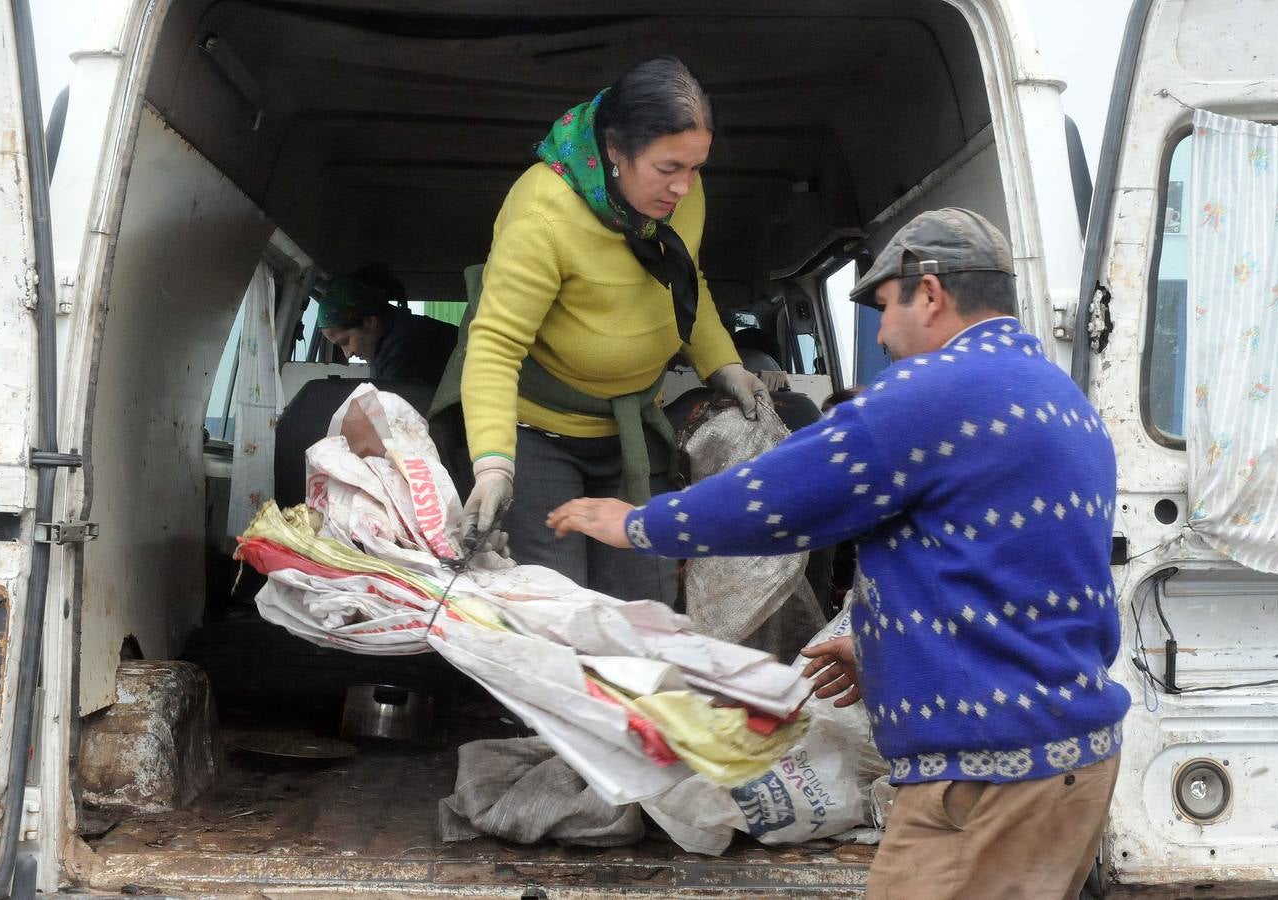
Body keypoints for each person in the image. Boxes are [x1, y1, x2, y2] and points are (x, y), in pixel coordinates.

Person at [548, 208, 1130, 899]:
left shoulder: (936, 392)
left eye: (886, 307)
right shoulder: (1056, 398)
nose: (881, 334)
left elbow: (780, 497)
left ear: (931, 292)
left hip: (989, 785)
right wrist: (892, 647)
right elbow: (1010, 569)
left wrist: (638, 523)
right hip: (1068, 766)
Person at [457, 56, 768, 602]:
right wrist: (492, 465)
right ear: (616, 152)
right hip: (540, 437)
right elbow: (495, 347)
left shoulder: (684, 198)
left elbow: (685, 281)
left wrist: (726, 366)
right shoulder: (543, 213)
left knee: (642, 600)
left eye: (696, 168)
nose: (684, 187)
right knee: (558, 604)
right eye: (668, 168)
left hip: (630, 434)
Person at [318, 265, 458, 389]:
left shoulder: (401, 352)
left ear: (370, 322)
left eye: (345, 342)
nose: (347, 354)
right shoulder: (401, 333)